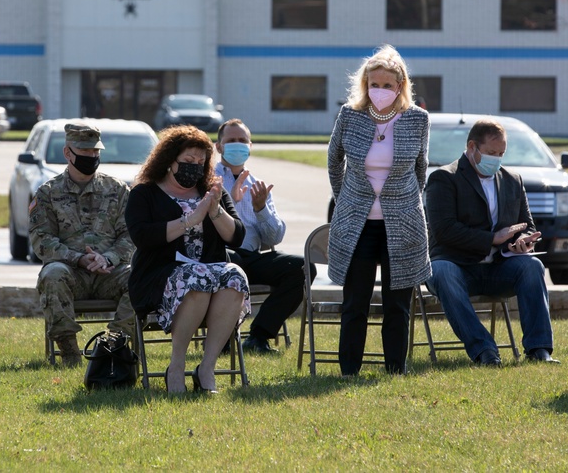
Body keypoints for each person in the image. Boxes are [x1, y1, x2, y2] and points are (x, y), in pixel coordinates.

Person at [327, 44, 431, 376]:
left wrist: (404, 203)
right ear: (365, 84)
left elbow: (421, 170)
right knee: (355, 303)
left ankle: (395, 369)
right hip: (356, 224)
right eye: (375, 85)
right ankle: (348, 371)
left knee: (397, 305)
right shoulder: (350, 115)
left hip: (402, 225)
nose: (380, 91)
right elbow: (334, 161)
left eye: (387, 85)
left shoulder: (417, 119)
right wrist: (346, 200)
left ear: (400, 86)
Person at [126, 125, 250, 393]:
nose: (194, 167)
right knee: (196, 278)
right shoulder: (144, 193)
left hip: (206, 275)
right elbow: (142, 237)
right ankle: (176, 366)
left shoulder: (211, 191)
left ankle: (206, 368)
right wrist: (189, 220)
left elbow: (236, 237)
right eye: (188, 161)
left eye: (200, 162)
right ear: (170, 160)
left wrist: (214, 210)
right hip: (157, 279)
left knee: (235, 275)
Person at [425, 119, 558, 366]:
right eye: (491, 153)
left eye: (501, 154)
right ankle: (484, 351)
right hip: (456, 266)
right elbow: (444, 231)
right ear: (472, 147)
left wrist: (521, 242)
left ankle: (539, 350)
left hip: (498, 267)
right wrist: (492, 239)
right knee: (441, 270)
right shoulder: (444, 178)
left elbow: (525, 225)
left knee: (532, 266)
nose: (496, 159)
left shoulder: (512, 179)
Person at [28, 122, 136, 367]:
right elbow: (41, 241)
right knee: (52, 274)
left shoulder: (117, 190)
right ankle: (70, 354)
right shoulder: (48, 192)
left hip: (109, 272)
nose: (91, 156)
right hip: (71, 273)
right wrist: (78, 258)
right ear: (68, 153)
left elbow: (131, 235)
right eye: (85, 152)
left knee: (138, 277)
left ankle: (112, 347)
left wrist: (108, 258)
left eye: (95, 152)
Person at [213, 118, 315, 354]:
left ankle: (259, 336)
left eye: (242, 141)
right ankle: (223, 337)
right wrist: (232, 202)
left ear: (250, 146)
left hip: (250, 256)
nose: (237, 145)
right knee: (231, 262)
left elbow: (275, 237)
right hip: (219, 257)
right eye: (231, 141)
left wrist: (261, 210)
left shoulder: (258, 186)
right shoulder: (209, 179)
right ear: (218, 147)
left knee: (301, 268)